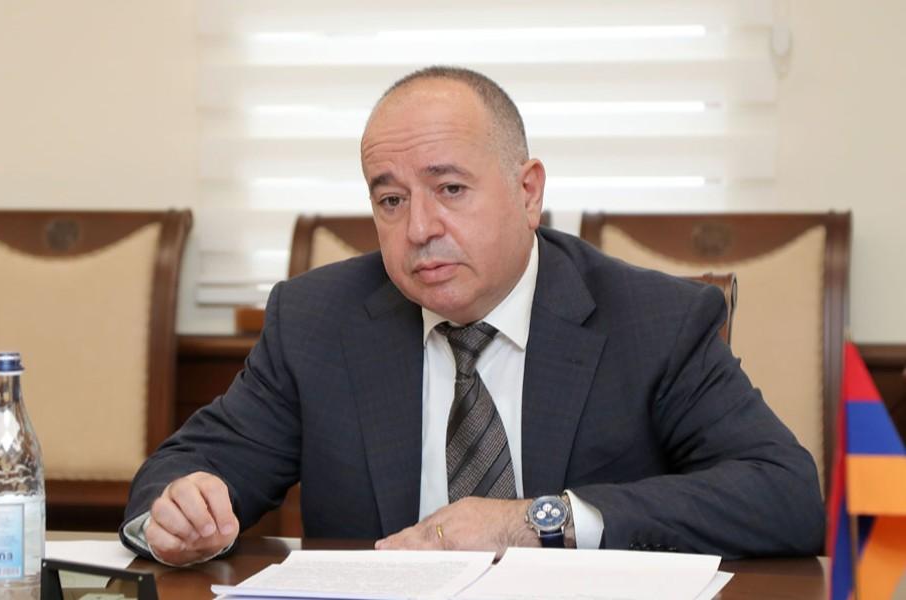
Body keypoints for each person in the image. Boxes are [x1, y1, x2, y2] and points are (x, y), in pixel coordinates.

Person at [120, 66, 825, 566]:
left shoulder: (655, 320)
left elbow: (785, 495)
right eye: (391, 200)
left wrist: (539, 521)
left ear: (528, 192)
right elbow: (183, 469)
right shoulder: (317, 321)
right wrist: (178, 512)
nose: (419, 227)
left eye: (450, 188)